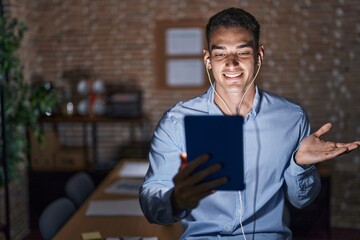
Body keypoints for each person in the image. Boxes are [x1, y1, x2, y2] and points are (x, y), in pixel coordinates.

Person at [139, 7, 360, 240]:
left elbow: (301, 201)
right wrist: (175, 201)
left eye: (242, 53)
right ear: (207, 59)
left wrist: (300, 165)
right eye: (220, 54)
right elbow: (151, 203)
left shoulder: (291, 118)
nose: (231, 63)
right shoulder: (176, 121)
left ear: (259, 56)